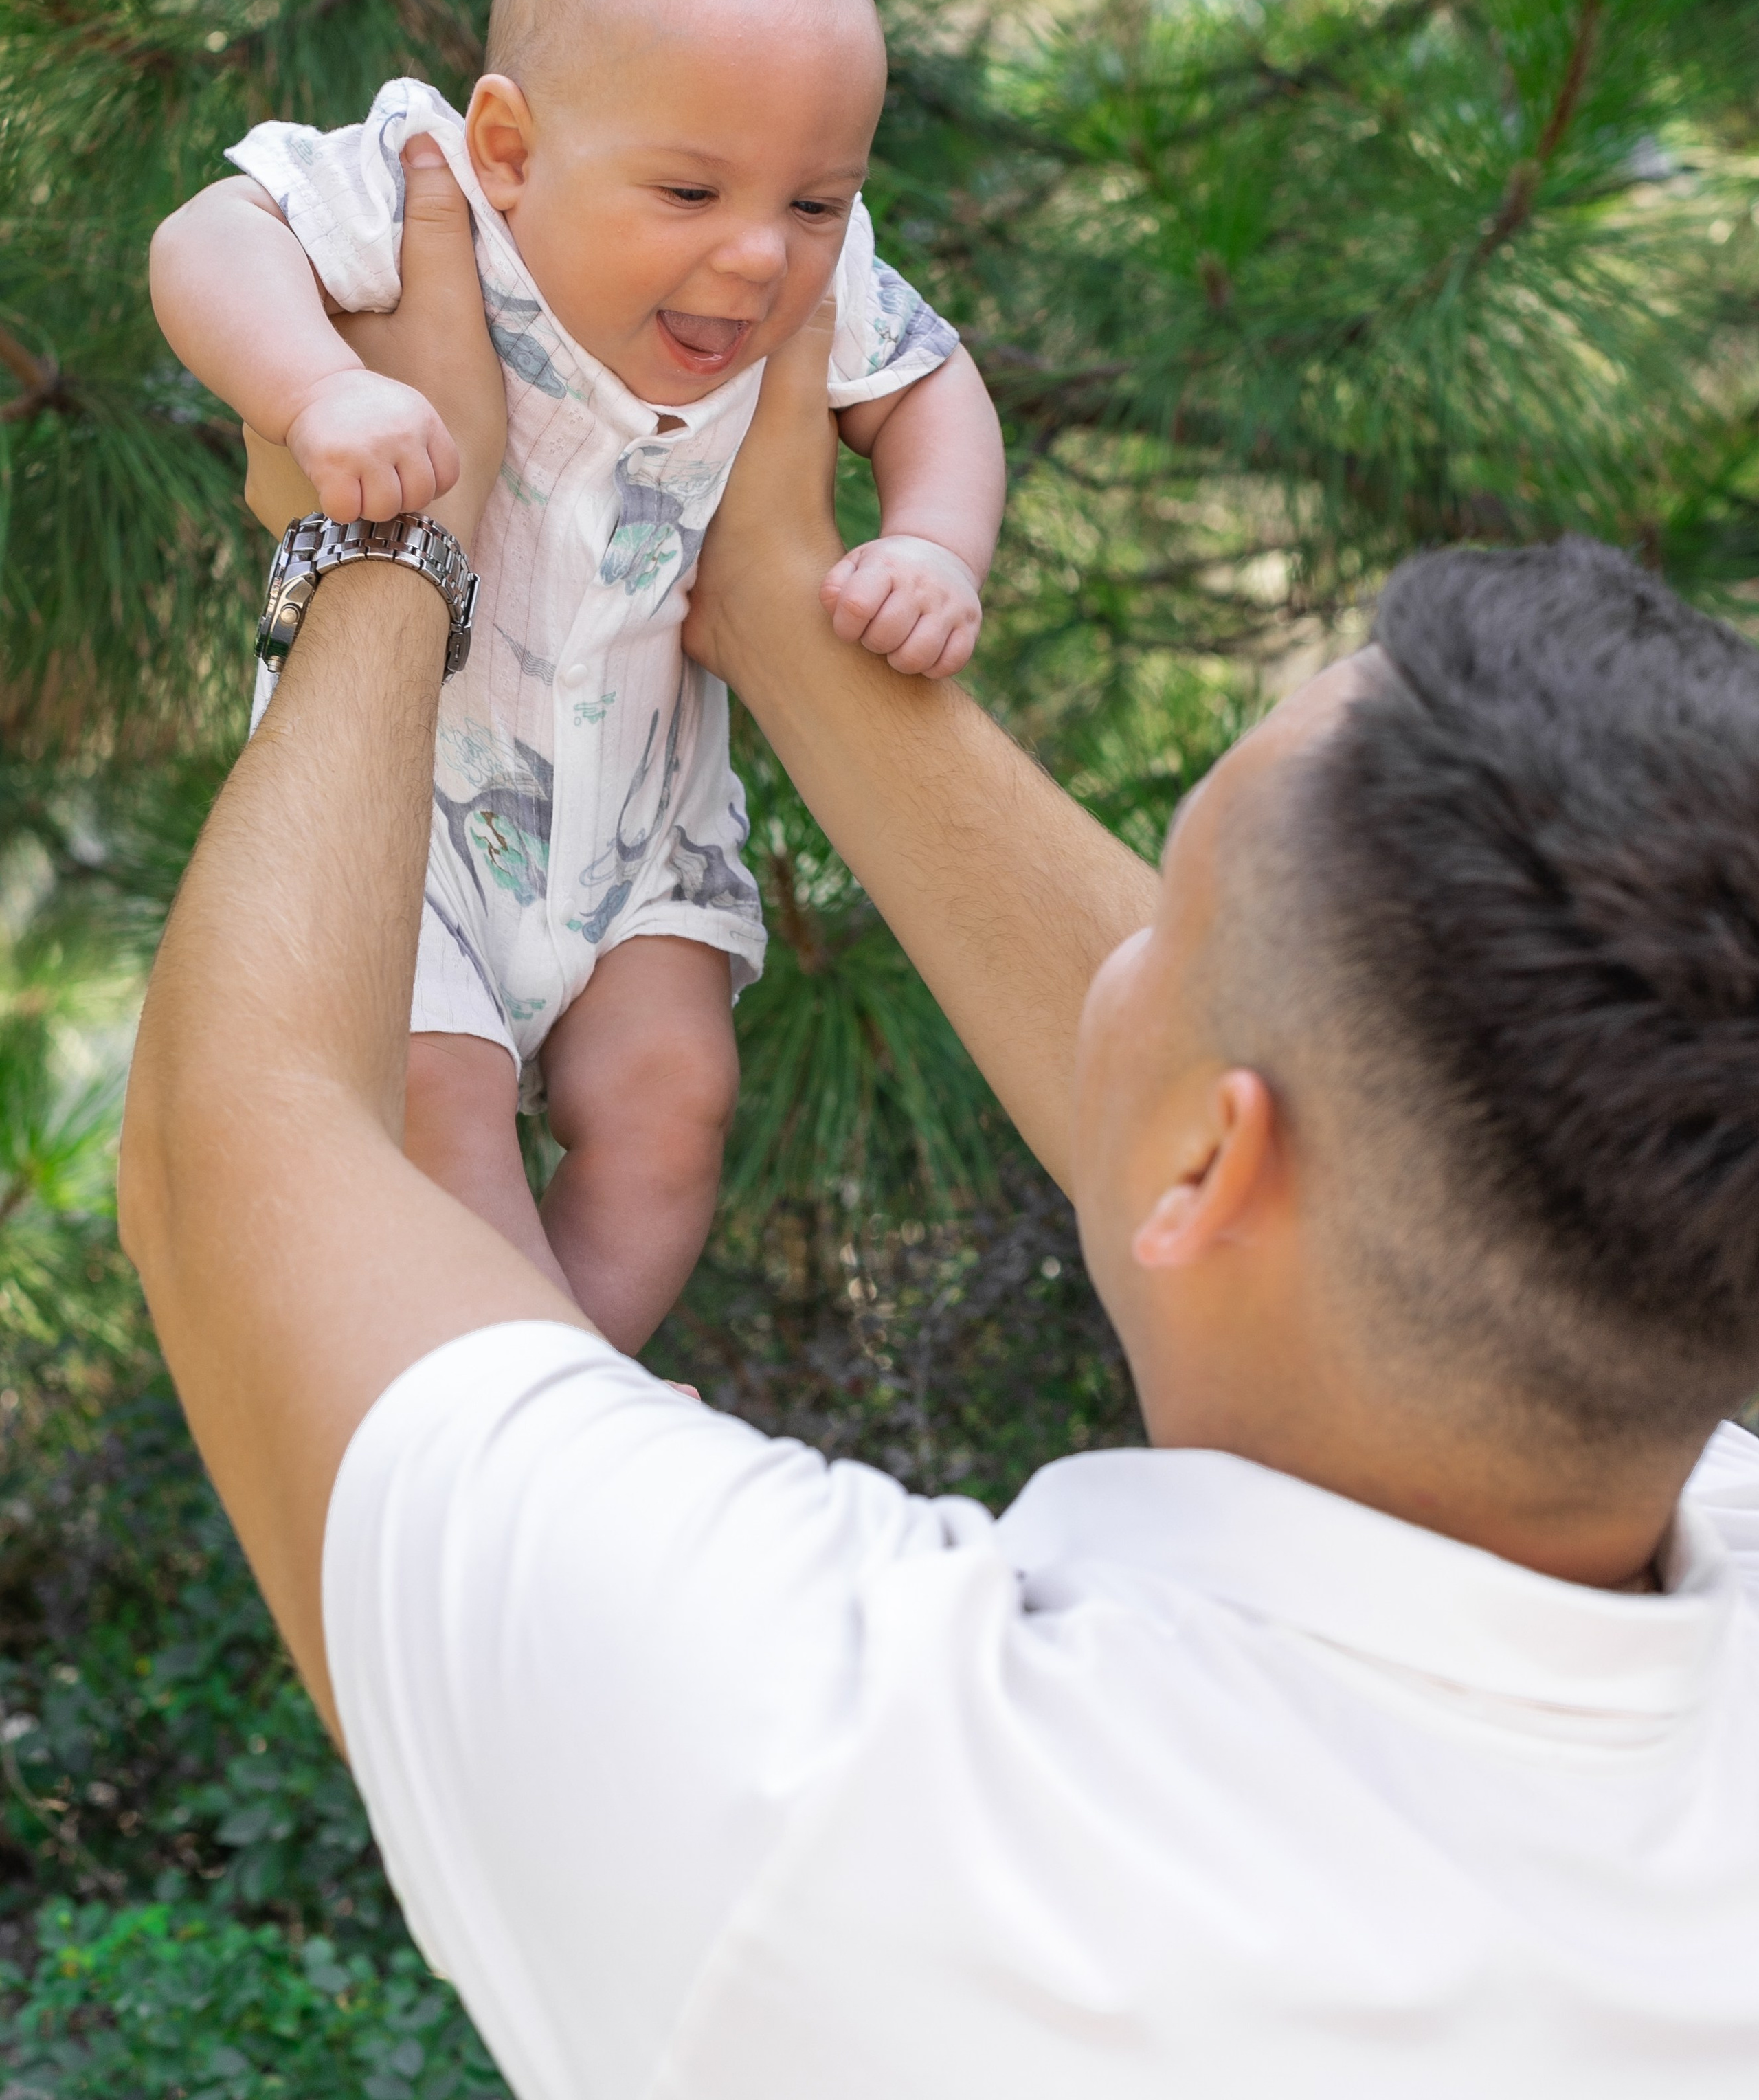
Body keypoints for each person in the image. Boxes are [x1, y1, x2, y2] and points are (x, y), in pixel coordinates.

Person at [120, 161, 1759, 2100]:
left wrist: (393, 540)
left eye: (1170, 922)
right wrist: (785, 620)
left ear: (1216, 1171)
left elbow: (238, 1147)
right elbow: (1366, 1113)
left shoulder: (852, 1781)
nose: (1111, 958)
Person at [146, 0, 1005, 1350]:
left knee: (675, 1103)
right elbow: (206, 239)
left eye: (815, 203)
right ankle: (529, 1398)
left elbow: (935, 386)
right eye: (688, 189)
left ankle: (585, 1379)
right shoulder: (431, 191)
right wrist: (321, 389)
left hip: (644, 830)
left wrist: (933, 544)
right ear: (513, 146)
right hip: (406, 812)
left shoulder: (823, 276)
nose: (757, 257)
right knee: (439, 1103)